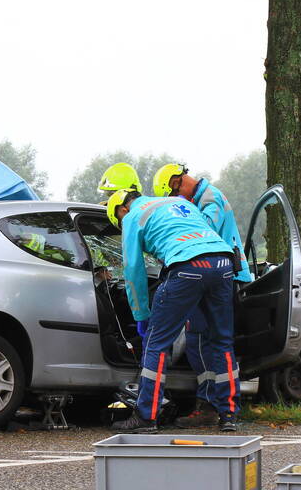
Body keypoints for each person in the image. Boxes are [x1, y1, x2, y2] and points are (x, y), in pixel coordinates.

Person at [107, 189, 240, 433]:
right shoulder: (178, 203)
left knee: (156, 344)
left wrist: (141, 315)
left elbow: (133, 269)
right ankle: (229, 414)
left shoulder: (131, 216)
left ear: (121, 209)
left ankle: (146, 416)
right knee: (222, 342)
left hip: (187, 267)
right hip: (223, 263)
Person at [153, 163, 252, 427]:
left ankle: (216, 405)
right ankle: (219, 407)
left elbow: (202, 230)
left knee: (207, 340)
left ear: (178, 182)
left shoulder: (211, 199)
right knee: (209, 340)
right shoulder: (204, 197)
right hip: (220, 273)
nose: (176, 201)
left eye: (174, 196)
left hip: (219, 273)